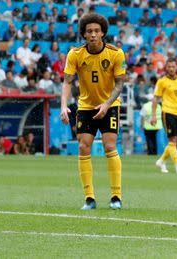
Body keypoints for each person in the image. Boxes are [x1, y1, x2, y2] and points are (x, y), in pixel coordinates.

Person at [60, 13, 125, 210]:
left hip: (110, 105)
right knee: (83, 147)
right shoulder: (75, 54)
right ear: (84, 34)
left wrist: (106, 104)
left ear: (103, 33)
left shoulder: (116, 53)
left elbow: (120, 84)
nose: (93, 34)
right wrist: (64, 105)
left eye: (97, 31)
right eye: (89, 31)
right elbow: (67, 82)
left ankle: (116, 196)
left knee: (109, 146)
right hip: (86, 106)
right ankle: (89, 198)